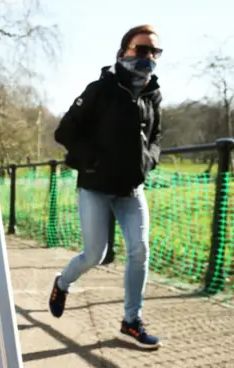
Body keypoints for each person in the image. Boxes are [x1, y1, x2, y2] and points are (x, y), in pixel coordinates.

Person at [48, 24, 163, 349]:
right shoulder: (100, 89)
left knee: (139, 251)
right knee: (94, 255)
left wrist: (148, 160)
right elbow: (65, 132)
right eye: (142, 50)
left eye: (154, 52)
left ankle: (131, 321)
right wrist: (92, 161)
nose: (149, 57)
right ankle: (62, 282)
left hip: (131, 190)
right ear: (123, 51)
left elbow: (156, 138)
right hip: (96, 187)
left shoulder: (153, 94)